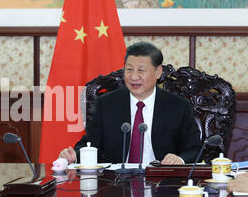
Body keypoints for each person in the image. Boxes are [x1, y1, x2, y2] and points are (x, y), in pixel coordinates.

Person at [59, 41, 202, 165]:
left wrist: (179, 159)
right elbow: (90, 144)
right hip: (116, 185)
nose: (133, 77)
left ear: (158, 72)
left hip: (161, 182)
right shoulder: (107, 104)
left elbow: (195, 149)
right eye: (129, 70)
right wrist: (75, 156)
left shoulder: (177, 106)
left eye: (141, 70)